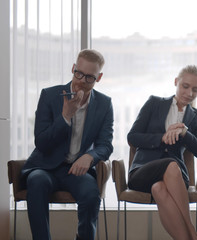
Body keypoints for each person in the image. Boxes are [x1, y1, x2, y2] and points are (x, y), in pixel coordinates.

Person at [21, 49, 113, 240]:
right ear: (73, 68)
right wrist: (65, 116)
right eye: (78, 73)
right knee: (36, 182)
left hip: (75, 169)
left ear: (99, 77)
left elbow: (105, 145)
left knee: (90, 194)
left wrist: (90, 156)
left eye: (89, 77)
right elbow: (42, 142)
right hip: (45, 166)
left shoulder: (104, 104)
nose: (81, 80)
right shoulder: (49, 95)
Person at [127, 65, 197, 240]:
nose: (189, 93)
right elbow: (133, 137)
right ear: (176, 82)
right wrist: (162, 137)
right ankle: (192, 231)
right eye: (185, 86)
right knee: (171, 165)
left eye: (195, 89)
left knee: (159, 188)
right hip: (143, 170)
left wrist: (185, 132)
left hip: (176, 178)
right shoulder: (154, 103)